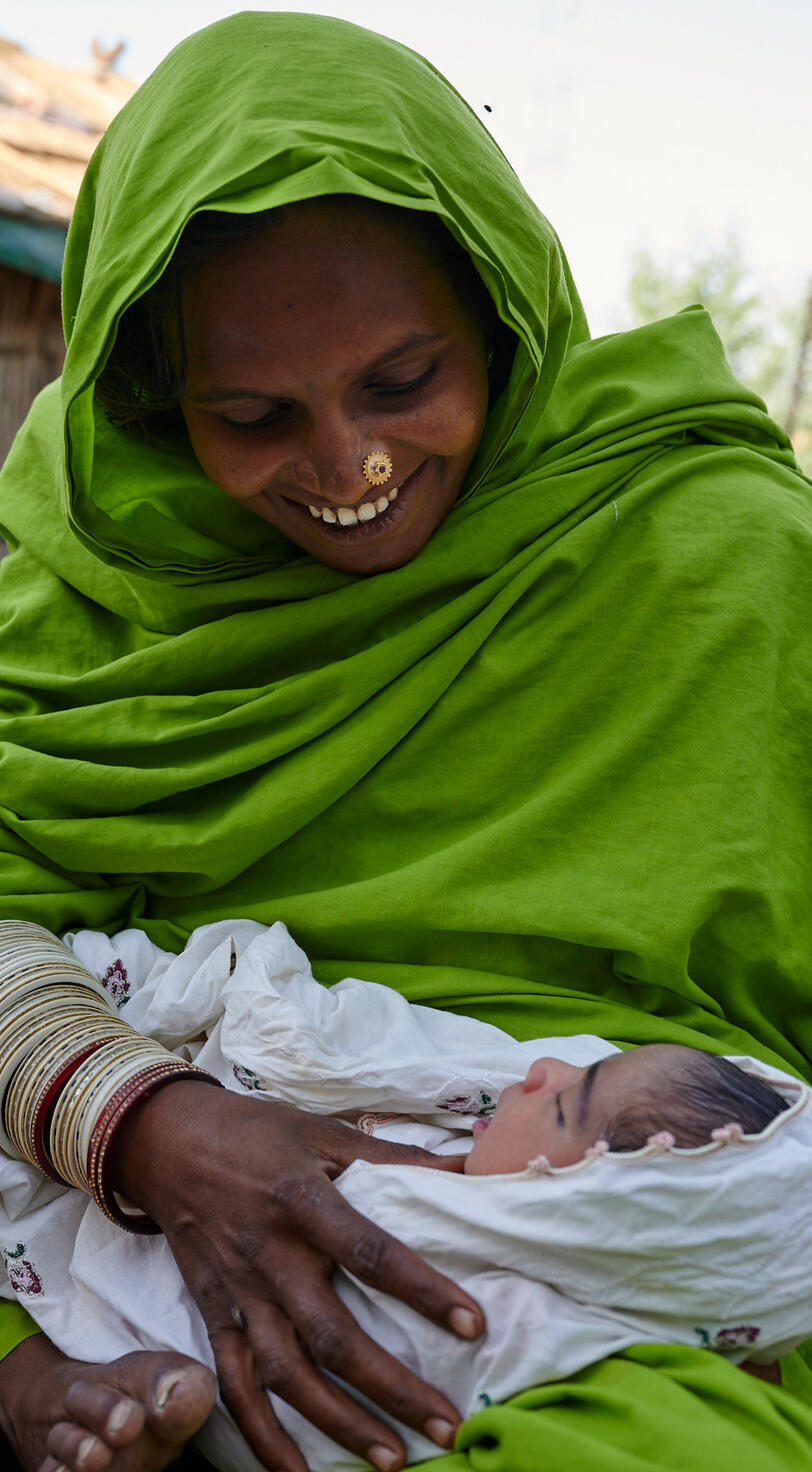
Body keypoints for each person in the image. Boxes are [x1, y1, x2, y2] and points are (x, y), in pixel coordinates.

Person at [0, 9, 809, 1472]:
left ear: (503, 315)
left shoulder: (721, 562)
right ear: (148, 403)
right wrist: (150, 1130)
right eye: (251, 414)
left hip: (631, 1296)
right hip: (82, 1208)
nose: (349, 465)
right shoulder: (75, 616)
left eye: (402, 382)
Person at [1, 919, 808, 1472]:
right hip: (83, 1067)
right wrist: (145, 1119)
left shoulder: (563, 1322)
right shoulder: (489, 1091)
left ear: (580, 1217)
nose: (540, 1072)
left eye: (562, 1105)